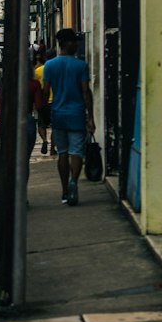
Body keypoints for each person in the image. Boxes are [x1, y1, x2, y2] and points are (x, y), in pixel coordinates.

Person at [40, 28, 95, 205]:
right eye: (74, 42)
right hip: (76, 114)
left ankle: (64, 190)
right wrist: (91, 117)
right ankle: (73, 182)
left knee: (62, 153)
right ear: (69, 44)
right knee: (76, 152)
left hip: (58, 114)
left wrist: (42, 115)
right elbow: (86, 92)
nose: (77, 46)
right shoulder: (81, 66)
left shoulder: (49, 66)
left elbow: (45, 92)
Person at [34, 54, 55, 156]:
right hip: (54, 102)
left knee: (41, 124)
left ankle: (45, 140)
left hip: (42, 101)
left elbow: (35, 87)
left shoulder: (38, 71)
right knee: (55, 127)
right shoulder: (56, 70)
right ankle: (52, 148)